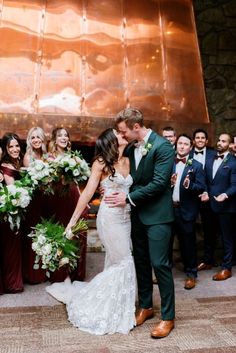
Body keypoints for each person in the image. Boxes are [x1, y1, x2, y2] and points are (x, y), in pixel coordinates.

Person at [46, 128, 136, 335]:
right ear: (111, 141)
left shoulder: (129, 160)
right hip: (110, 218)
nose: (124, 135)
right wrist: (72, 222)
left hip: (127, 217)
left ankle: (117, 307)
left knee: (116, 262)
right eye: (119, 134)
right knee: (125, 261)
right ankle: (93, 305)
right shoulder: (101, 163)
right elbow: (87, 192)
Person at [104, 108, 175, 339]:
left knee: (159, 264)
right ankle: (146, 306)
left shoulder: (163, 147)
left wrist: (128, 198)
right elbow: (133, 180)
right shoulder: (133, 148)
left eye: (123, 131)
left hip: (158, 217)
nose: (121, 135)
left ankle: (168, 317)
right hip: (137, 217)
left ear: (136, 127)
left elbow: (158, 183)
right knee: (141, 263)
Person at [46, 127, 88, 282]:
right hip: (58, 198)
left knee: (76, 231)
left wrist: (83, 199)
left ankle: (76, 272)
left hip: (73, 196)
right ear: (54, 140)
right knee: (61, 231)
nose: (63, 138)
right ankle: (61, 273)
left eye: (66, 135)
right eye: (60, 135)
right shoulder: (49, 158)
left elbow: (79, 181)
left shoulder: (74, 157)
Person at [171, 134, 205, 290]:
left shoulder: (196, 165)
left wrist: (190, 185)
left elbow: (201, 187)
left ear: (190, 147)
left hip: (187, 211)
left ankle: (191, 275)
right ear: (176, 145)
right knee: (166, 243)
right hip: (169, 210)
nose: (182, 146)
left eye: (185, 144)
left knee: (188, 245)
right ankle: (164, 273)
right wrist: (169, 183)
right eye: (180, 143)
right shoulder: (168, 162)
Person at [201, 133, 236, 281]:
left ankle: (226, 268)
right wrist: (205, 191)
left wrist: (225, 195)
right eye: (219, 140)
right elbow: (206, 181)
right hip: (209, 204)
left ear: (229, 144)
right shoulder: (209, 160)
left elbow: (235, 185)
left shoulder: (234, 162)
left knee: (227, 238)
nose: (220, 143)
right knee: (209, 235)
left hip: (226, 206)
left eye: (224, 141)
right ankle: (208, 261)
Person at [22, 127, 48, 284]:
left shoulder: (46, 155)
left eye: (38, 137)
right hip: (34, 200)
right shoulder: (28, 157)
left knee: (44, 234)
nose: (36, 140)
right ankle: (33, 274)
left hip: (46, 199)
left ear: (43, 139)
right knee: (34, 233)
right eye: (33, 137)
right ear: (29, 140)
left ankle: (44, 270)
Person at [189, 129, 218, 271]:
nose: (200, 140)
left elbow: (217, 177)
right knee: (188, 230)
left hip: (208, 198)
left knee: (209, 230)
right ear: (193, 141)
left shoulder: (214, 154)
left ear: (206, 141)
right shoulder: (186, 153)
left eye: (203, 138)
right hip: (190, 197)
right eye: (197, 138)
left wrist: (209, 192)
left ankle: (208, 260)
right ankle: (190, 262)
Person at [0, 133, 24, 293]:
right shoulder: (5, 167)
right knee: (11, 247)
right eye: (11, 146)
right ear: (5, 149)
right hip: (10, 210)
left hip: (19, 208)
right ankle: (12, 283)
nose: (15, 149)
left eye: (17, 145)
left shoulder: (17, 163)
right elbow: (13, 190)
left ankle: (14, 281)